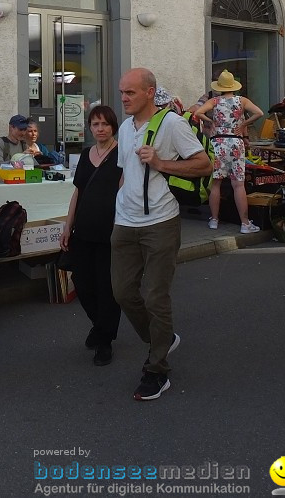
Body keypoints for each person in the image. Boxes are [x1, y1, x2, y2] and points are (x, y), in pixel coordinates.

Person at [111, 68, 211, 401]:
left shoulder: (172, 124)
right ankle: (162, 339)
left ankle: (157, 370)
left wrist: (162, 164)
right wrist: (117, 207)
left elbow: (203, 164)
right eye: (122, 92)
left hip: (160, 223)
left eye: (131, 93)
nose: (124, 98)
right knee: (123, 292)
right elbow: (126, 172)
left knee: (155, 296)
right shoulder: (125, 128)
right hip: (125, 222)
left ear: (150, 92)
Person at [59, 105, 121, 366]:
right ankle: (99, 326)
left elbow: (124, 193)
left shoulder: (121, 154)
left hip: (109, 232)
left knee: (106, 287)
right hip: (83, 230)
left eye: (105, 124)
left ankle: (104, 340)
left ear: (113, 126)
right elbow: (78, 192)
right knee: (82, 284)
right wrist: (67, 224)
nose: (100, 129)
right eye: (95, 124)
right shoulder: (86, 155)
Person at [192, 70, 265, 234]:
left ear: (219, 86)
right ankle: (245, 223)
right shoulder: (242, 100)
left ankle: (214, 220)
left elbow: (197, 112)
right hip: (236, 142)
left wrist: (211, 122)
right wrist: (243, 123)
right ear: (234, 86)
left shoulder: (215, 101)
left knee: (215, 183)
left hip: (218, 142)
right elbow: (259, 113)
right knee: (238, 184)